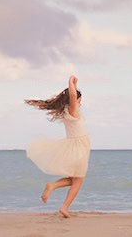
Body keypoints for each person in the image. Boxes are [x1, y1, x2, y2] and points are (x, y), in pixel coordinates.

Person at [25, 73, 90, 215]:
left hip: (77, 146)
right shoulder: (73, 110)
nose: (80, 102)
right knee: (78, 181)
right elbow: (73, 96)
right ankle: (64, 207)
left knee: (74, 179)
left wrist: (74, 86)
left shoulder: (68, 111)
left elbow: (72, 96)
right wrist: (71, 82)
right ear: (74, 100)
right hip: (79, 148)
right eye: (80, 100)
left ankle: (52, 185)